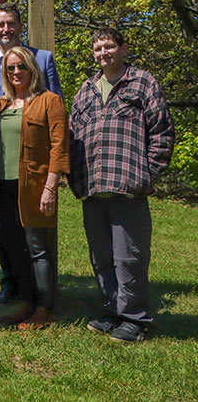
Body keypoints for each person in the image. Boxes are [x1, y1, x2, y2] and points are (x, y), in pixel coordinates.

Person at [69, 28, 174, 342]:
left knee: (129, 256)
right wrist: (76, 179)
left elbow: (162, 133)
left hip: (129, 188)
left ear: (124, 49)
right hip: (93, 188)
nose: (104, 52)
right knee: (102, 257)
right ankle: (112, 310)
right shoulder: (85, 90)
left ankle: (135, 318)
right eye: (98, 48)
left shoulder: (142, 83)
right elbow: (73, 138)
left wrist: (146, 174)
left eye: (110, 46)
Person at [0, 2, 62, 306]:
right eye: (0, 24)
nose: (6, 29)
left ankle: (44, 299)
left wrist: (53, 176)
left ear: (19, 26)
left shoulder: (43, 59)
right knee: (5, 232)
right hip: (1, 167)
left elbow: (56, 120)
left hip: (34, 167)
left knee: (36, 237)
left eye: (11, 23)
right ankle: (11, 285)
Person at [0, 46, 69, 330]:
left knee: (37, 248)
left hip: (35, 186)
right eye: (10, 68)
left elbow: (60, 147)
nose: (15, 73)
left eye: (21, 67)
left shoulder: (49, 101)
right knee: (13, 246)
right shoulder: (0, 105)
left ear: (32, 69)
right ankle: (26, 301)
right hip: (3, 186)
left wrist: (51, 186)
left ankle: (44, 309)